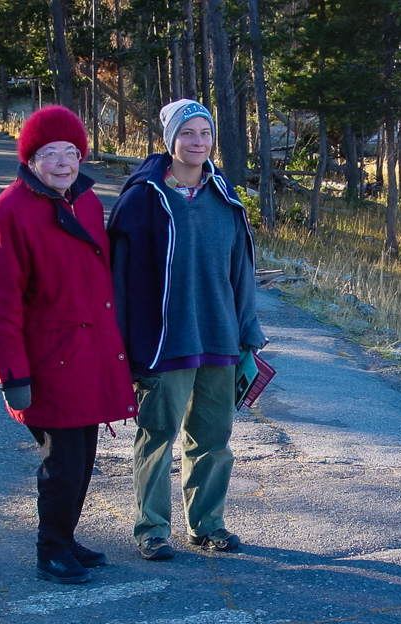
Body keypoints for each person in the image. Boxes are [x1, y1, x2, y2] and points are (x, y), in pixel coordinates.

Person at [0, 105, 137, 584]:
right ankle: (50, 551)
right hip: (47, 362)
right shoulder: (6, 214)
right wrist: (11, 377)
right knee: (61, 462)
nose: (64, 162)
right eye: (51, 153)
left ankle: (64, 538)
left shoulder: (85, 202)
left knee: (82, 458)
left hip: (90, 356)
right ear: (31, 158)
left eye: (72, 151)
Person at [108, 99, 266, 561]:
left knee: (213, 439)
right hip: (163, 342)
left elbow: (242, 270)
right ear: (169, 140)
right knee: (156, 437)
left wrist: (248, 337)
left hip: (219, 338)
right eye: (188, 133)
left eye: (205, 133)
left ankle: (207, 524)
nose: (198, 142)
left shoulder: (225, 197)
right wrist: (122, 350)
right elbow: (118, 282)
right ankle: (152, 528)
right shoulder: (141, 199)